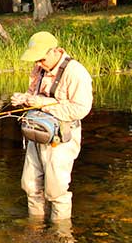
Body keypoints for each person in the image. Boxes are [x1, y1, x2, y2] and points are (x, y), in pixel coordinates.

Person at [11, 31, 93, 221]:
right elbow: (32, 93)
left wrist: (42, 103)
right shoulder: (38, 69)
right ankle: (35, 230)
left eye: (41, 59)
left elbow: (81, 109)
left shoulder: (76, 72)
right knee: (30, 185)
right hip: (35, 134)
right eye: (35, 60)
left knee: (55, 192)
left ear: (55, 51)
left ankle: (61, 237)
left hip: (61, 139)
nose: (38, 64)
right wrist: (24, 99)